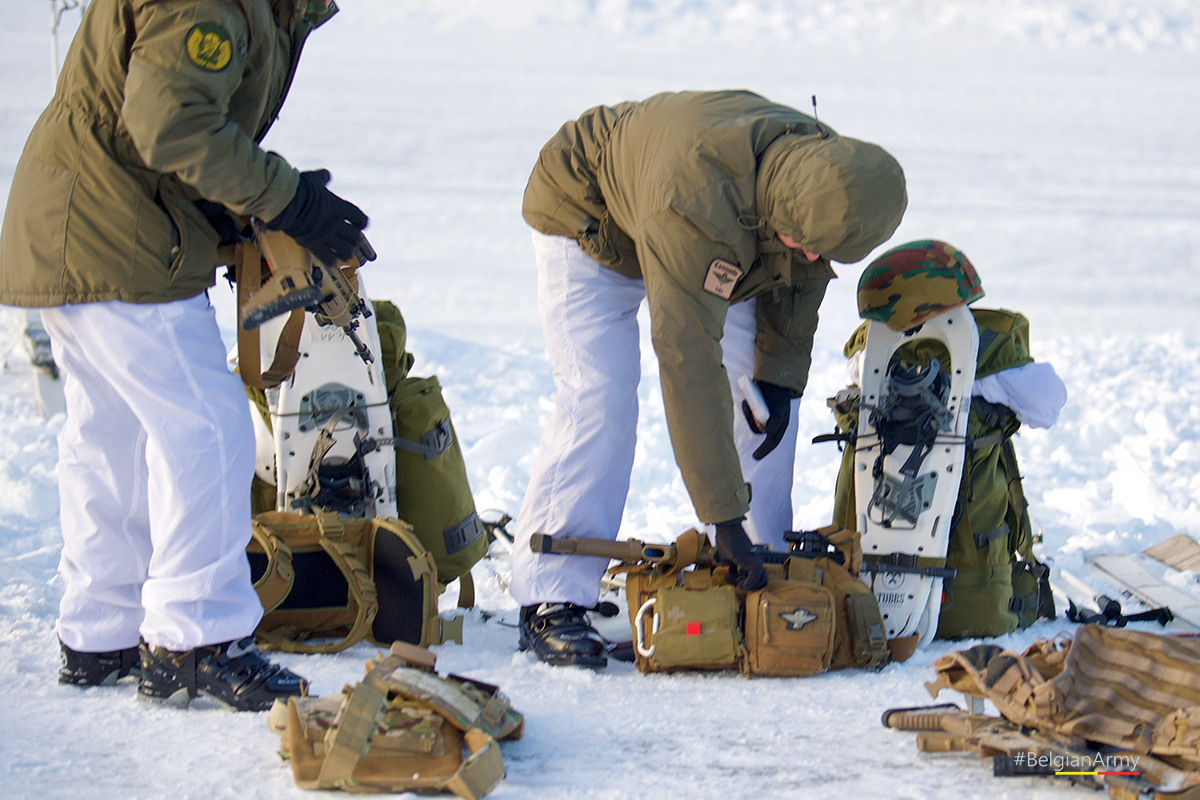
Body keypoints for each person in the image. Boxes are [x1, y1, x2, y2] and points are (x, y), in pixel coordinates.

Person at [0, 0, 368, 710]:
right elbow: (171, 123)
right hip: (114, 233)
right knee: (206, 427)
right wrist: (286, 198)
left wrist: (242, 206)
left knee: (116, 431)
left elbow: (164, 115)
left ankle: (101, 630)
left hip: (80, 221)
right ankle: (194, 638)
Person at [511, 90, 908, 667]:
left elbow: (799, 280)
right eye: (803, 244)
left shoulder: (822, 183)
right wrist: (722, 513)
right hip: (588, 215)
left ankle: (759, 567)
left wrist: (778, 377)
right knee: (599, 393)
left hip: (721, 223)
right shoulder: (694, 202)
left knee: (764, 399)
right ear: (787, 215)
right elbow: (686, 359)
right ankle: (551, 592)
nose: (808, 255)